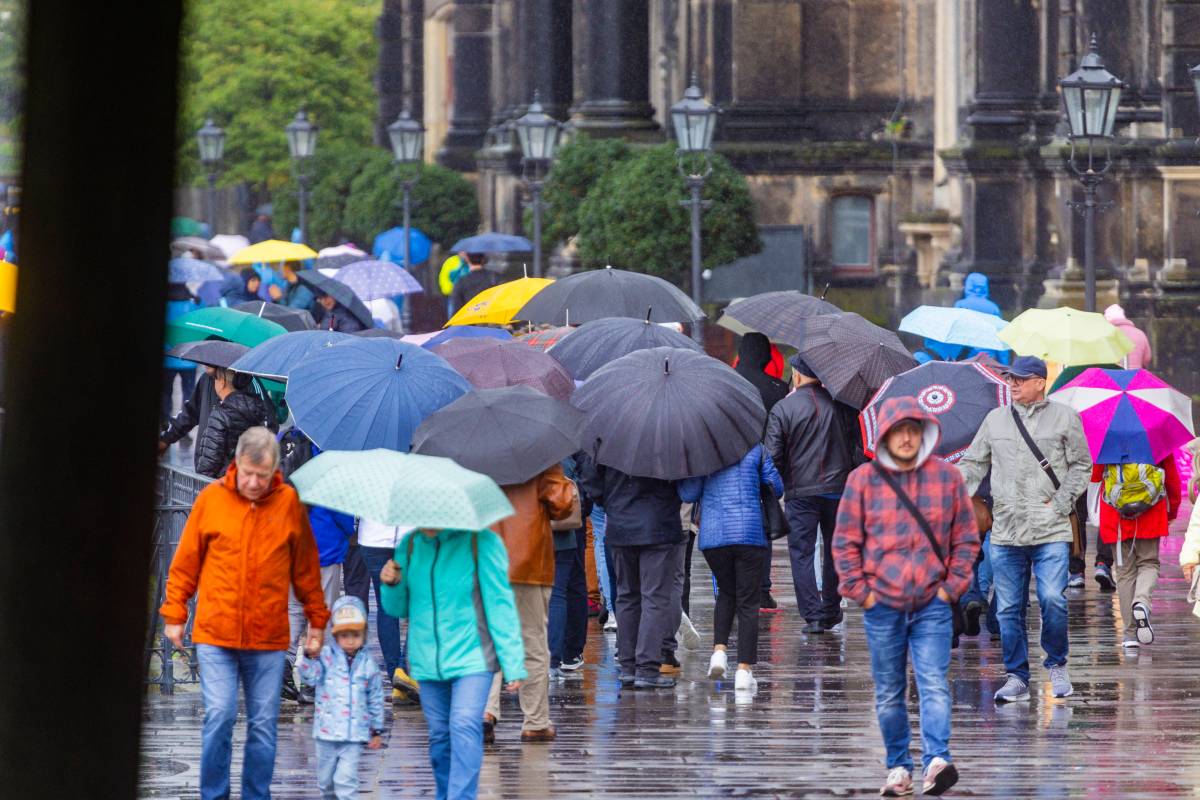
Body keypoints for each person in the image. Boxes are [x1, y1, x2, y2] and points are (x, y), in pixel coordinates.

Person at [160, 427, 330, 800]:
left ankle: (257, 795)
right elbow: (186, 562)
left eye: (263, 475)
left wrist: (317, 620)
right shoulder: (211, 500)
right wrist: (175, 611)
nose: (254, 482)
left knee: (263, 725)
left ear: (274, 471)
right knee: (219, 714)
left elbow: (305, 570)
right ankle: (214, 795)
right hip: (216, 632)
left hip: (267, 636)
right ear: (237, 464)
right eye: (248, 473)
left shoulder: (287, 503)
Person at [833, 397, 979, 797]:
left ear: (925, 434)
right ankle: (898, 768)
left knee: (934, 682)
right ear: (885, 436)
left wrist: (951, 587)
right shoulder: (862, 480)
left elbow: (966, 539)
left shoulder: (947, 479)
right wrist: (861, 594)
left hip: (932, 602)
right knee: (889, 690)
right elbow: (845, 543)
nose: (907, 438)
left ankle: (937, 760)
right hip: (881, 604)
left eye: (914, 430)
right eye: (899, 431)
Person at [958, 356, 1091, 702]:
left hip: (1050, 530)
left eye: (1020, 379)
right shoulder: (995, 419)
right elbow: (973, 464)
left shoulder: (1065, 417)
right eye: (1010, 379)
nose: (1013, 384)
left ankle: (1057, 664)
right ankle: (1016, 675)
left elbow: (1082, 465)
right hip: (1006, 531)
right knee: (1007, 609)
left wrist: (1062, 503)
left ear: (1040, 382)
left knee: (1051, 599)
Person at [380, 528, 526, 800]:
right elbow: (398, 609)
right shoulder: (410, 545)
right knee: (440, 738)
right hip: (427, 658)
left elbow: (500, 602)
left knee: (464, 724)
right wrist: (392, 585)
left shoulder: (481, 542)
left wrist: (513, 660)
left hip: (473, 656)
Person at [764, 354, 857, 634]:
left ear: (797, 375)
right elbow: (857, 447)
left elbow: (772, 456)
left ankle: (813, 615)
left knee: (802, 553)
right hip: (838, 490)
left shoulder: (783, 408)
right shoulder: (842, 406)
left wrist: (777, 488)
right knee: (834, 550)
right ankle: (831, 607)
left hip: (800, 492)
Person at [679, 443, 783, 692]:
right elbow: (776, 487)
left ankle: (719, 653)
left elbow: (688, 493)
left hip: (714, 537)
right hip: (749, 533)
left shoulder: (702, 450)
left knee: (726, 592)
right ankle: (744, 671)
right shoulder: (757, 449)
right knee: (748, 602)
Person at [483, 464, 576, 742]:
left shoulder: (472, 448)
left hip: (484, 559)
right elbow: (561, 506)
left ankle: (484, 712)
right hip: (528, 561)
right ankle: (535, 722)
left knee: (487, 640)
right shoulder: (539, 455)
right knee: (532, 642)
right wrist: (566, 486)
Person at [579, 455, 685, 689]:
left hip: (621, 525)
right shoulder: (667, 437)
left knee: (627, 595)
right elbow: (686, 488)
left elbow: (590, 476)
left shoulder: (612, 434)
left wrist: (611, 501)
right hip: (659, 526)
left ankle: (628, 665)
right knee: (654, 597)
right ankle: (647, 668)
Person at [297, 596, 384, 800]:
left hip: (354, 734)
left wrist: (376, 728)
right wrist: (309, 657)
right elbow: (310, 678)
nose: (350, 640)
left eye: (355, 634)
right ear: (335, 635)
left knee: (346, 781)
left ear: (363, 634)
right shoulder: (326, 657)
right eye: (344, 635)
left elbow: (376, 698)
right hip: (326, 732)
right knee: (326, 782)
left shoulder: (368, 664)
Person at [1094, 457, 1180, 649]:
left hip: (1116, 515)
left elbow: (1095, 476)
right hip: (1151, 511)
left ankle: (1130, 635)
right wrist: (1172, 511)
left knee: (1124, 572)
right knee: (1149, 563)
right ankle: (1141, 601)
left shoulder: (1107, 438)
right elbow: (1172, 478)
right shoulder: (1156, 436)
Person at [733, 332, 789, 611]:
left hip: (730, 461)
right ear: (766, 355)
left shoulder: (726, 382)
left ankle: (734, 586)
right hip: (765, 463)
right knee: (764, 526)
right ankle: (762, 589)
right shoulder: (778, 388)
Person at [357, 519, 417, 702]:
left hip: (372, 538)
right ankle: (404, 670)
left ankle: (395, 677)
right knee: (417, 606)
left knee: (385, 608)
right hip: (411, 536)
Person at [548, 455, 592, 680]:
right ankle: (558, 658)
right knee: (560, 592)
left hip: (526, 530)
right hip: (563, 531)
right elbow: (583, 488)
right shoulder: (565, 446)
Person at [195, 369, 274, 478]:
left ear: (222, 382)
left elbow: (207, 465)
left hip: (224, 484)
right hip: (248, 479)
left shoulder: (219, 416)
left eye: (215, 380)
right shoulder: (257, 409)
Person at [160, 365, 219, 462]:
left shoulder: (248, 382)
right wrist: (166, 439)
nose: (205, 363)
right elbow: (191, 411)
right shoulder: (207, 379)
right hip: (203, 464)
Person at [162, 283, 199, 425]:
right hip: (188, 358)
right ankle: (185, 422)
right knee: (188, 393)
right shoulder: (193, 304)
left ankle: (165, 419)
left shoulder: (166, 305)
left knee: (166, 392)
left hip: (168, 358)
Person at [1104, 304, 1152, 369]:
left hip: (1114, 375)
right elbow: (1147, 358)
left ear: (1107, 319)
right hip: (1135, 375)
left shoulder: (1108, 334)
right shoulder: (1140, 333)